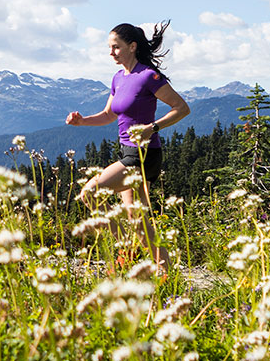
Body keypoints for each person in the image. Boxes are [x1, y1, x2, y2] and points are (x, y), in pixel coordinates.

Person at [65, 21, 190, 270]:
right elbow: (109, 115)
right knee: (139, 222)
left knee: (90, 193)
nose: (111, 53)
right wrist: (82, 122)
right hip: (128, 152)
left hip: (143, 155)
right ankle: (166, 275)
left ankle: (126, 249)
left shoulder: (148, 77)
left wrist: (152, 128)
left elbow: (182, 108)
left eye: (116, 47)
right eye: (110, 48)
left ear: (132, 47)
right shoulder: (119, 78)